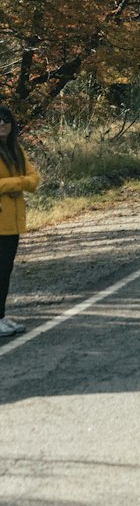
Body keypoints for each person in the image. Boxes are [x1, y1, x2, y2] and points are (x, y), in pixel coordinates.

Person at [0, 106, 40, 337]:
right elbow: (23, 181)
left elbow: (34, 180)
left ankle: (2, 316)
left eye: (6, 119)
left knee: (5, 271)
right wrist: (17, 183)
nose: (3, 124)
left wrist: (14, 183)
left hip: (12, 223)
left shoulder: (16, 150)